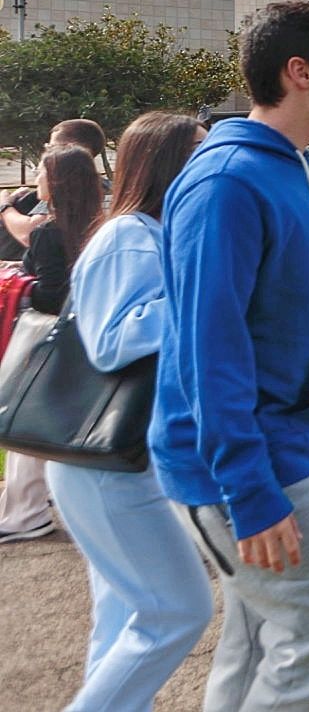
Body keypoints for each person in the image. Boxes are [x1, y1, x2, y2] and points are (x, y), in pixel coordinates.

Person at [151, 1, 309, 709]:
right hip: (248, 463)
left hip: (284, 440)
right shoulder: (226, 184)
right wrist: (250, 494)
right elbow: (207, 351)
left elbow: (299, 322)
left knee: (256, 637)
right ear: (299, 72)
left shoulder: (292, 165)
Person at [45, 113, 214, 710]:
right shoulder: (129, 235)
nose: (211, 160)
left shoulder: (152, 231)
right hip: (103, 461)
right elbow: (113, 339)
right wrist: (208, 299)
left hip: (116, 459)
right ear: (166, 163)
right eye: (199, 150)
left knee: (123, 616)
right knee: (178, 609)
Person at [0, 143, 103, 545]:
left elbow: (51, 294)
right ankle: (28, 510)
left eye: (42, 172)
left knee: (27, 427)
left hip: (46, 343)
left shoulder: (47, 230)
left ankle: (24, 513)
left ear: (55, 181)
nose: (37, 179)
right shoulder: (97, 222)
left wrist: (14, 282)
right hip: (86, 338)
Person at [1, 118, 107, 262]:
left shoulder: (65, 189)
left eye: (51, 147)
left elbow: (28, 234)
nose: (48, 152)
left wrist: (5, 206)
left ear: (69, 148)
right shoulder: (103, 187)